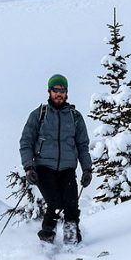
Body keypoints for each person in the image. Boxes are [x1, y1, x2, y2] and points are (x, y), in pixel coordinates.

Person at [19, 74, 93, 245]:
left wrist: (87, 169)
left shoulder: (75, 117)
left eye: (62, 90)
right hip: (44, 167)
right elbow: (26, 142)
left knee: (71, 206)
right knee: (55, 204)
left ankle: (71, 241)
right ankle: (46, 242)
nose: (59, 93)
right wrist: (28, 167)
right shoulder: (39, 115)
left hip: (67, 169)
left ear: (67, 93)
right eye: (56, 90)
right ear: (49, 92)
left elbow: (82, 145)